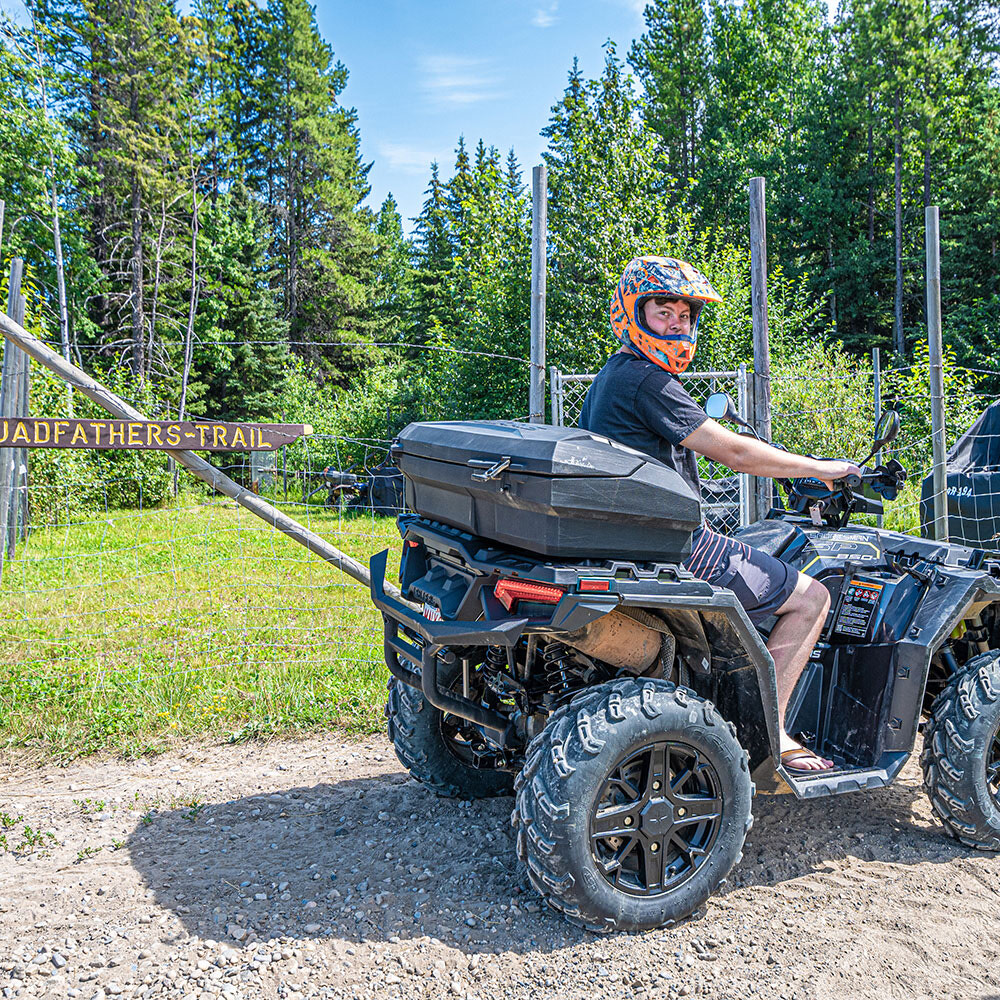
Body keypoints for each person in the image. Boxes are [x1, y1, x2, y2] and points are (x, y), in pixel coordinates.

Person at [579, 255, 860, 773]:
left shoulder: (609, 380)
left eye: (686, 316)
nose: (678, 325)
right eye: (664, 312)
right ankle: (770, 729)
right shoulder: (648, 381)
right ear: (631, 313)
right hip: (677, 546)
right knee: (812, 597)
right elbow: (733, 453)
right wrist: (821, 468)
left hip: (626, 540)